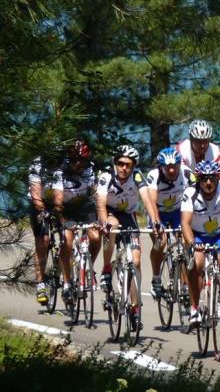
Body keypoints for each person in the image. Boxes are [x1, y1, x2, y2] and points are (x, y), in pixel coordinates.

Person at [96, 145, 158, 326]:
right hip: (108, 212)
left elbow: (147, 200)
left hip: (128, 215)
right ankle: (107, 269)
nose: (124, 168)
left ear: (134, 165)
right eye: (121, 163)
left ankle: (135, 307)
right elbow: (100, 203)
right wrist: (104, 223)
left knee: (135, 261)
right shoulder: (106, 176)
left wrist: (155, 222)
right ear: (115, 163)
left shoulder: (137, 176)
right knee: (112, 226)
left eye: (129, 165)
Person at [180, 160, 220, 327]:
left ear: (218, 179)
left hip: (218, 235)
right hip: (197, 236)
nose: (208, 183)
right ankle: (195, 308)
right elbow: (185, 224)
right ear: (198, 180)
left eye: (212, 178)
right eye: (203, 179)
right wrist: (192, 244)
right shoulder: (190, 193)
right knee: (197, 262)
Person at [52, 140, 100, 304]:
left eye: (82, 161)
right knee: (68, 241)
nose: (78, 164)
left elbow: (94, 194)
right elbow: (58, 202)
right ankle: (66, 283)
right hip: (66, 208)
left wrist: (99, 219)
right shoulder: (60, 171)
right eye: (74, 160)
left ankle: (88, 267)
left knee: (95, 237)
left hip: (85, 207)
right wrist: (65, 221)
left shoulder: (89, 168)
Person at [146, 147, 196, 298]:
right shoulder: (154, 176)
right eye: (168, 167)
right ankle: (156, 279)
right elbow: (152, 202)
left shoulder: (187, 174)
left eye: (175, 166)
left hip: (177, 211)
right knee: (160, 243)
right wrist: (156, 222)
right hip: (158, 211)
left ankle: (185, 285)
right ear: (161, 167)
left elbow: (195, 198)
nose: (172, 170)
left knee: (185, 245)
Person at [28, 155, 57, 305]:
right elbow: (36, 194)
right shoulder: (37, 164)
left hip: (59, 202)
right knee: (43, 240)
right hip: (38, 202)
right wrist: (43, 211)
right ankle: (40, 284)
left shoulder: (66, 163)